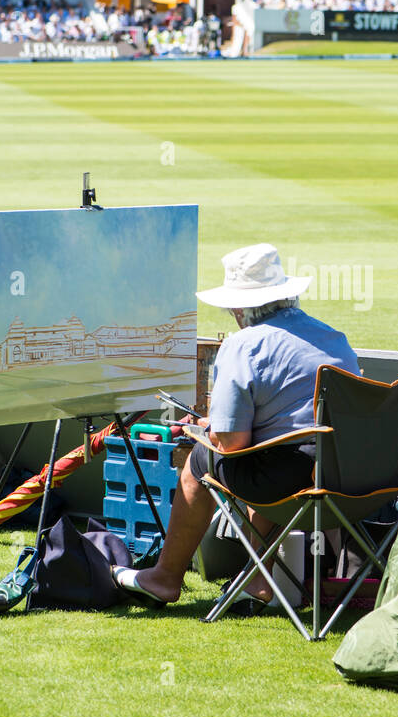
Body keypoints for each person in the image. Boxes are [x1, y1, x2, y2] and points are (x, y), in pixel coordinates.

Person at [114, 243, 360, 607]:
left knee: (204, 459)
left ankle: (166, 578)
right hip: (362, 480)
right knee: (269, 455)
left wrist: (209, 430)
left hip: (300, 480)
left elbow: (231, 444)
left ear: (238, 307)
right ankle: (258, 579)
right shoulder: (332, 336)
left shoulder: (243, 345)